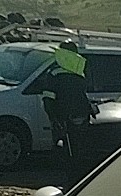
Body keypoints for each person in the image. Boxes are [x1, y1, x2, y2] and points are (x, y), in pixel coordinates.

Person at [31, 41, 96, 184]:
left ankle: (70, 178)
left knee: (64, 149)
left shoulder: (54, 73)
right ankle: (78, 178)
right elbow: (82, 95)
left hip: (63, 118)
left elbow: (48, 99)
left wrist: (53, 118)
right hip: (80, 116)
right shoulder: (80, 72)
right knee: (79, 149)